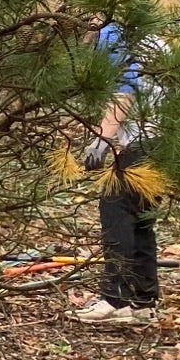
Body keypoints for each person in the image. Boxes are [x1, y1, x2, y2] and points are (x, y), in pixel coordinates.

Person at [72, 21, 163, 327]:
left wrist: (99, 142)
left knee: (116, 214)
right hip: (164, 142)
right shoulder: (153, 38)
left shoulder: (116, 37)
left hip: (140, 142)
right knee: (142, 219)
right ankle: (143, 302)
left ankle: (115, 298)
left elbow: (124, 93)